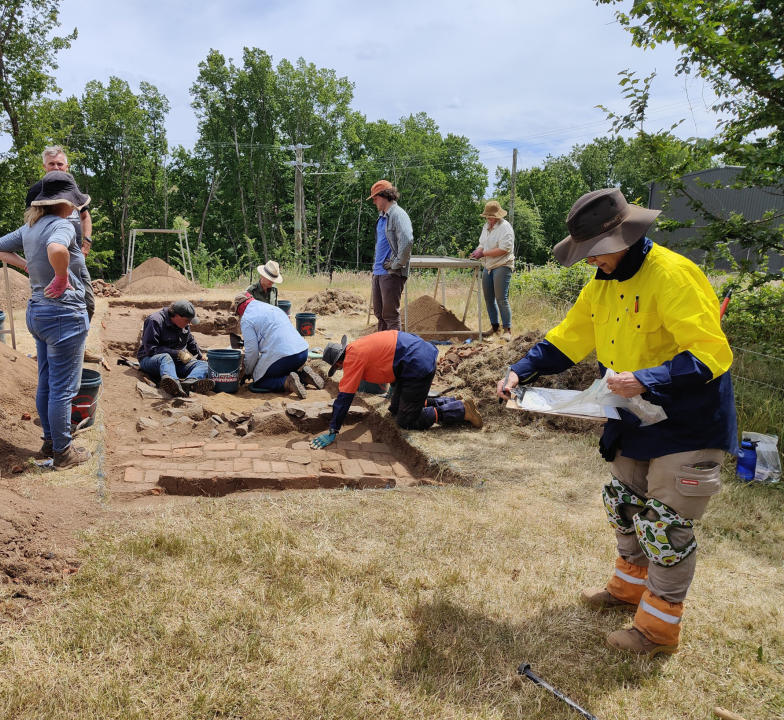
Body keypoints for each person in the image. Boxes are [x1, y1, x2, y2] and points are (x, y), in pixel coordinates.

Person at [497, 188, 736, 657]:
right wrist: (520, 369)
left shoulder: (673, 276)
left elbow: (713, 353)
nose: (590, 262)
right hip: (630, 416)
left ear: (624, 238)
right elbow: (569, 337)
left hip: (686, 421)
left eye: (595, 253)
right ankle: (627, 590)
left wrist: (647, 379)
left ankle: (658, 631)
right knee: (624, 504)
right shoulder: (602, 283)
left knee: (666, 526)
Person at [0, 171, 92, 470]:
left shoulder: (31, 227)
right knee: (63, 388)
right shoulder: (62, 225)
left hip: (37, 310)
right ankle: (63, 453)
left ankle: (50, 441)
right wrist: (61, 277)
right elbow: (57, 249)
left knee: (47, 381)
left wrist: (26, 265)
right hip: (63, 313)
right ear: (66, 203)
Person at [311, 330, 482, 448]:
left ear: (339, 362)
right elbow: (390, 357)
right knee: (395, 409)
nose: (341, 370)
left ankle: (461, 410)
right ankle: (450, 401)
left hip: (416, 365)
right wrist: (395, 389)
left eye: (338, 368)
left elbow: (344, 398)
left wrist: (333, 430)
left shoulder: (352, 359)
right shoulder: (358, 347)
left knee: (406, 420)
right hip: (414, 357)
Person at [32, 146, 95, 322]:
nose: (56, 167)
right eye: (51, 164)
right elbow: (31, 225)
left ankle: (78, 343)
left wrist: (86, 243)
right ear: (44, 167)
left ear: (67, 167)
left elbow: (85, 216)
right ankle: (61, 346)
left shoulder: (72, 189)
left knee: (88, 303)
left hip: (75, 256)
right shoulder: (36, 191)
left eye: (60, 164)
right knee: (56, 303)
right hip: (51, 258)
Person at [232, 292, 324, 399]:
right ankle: (303, 376)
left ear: (239, 309)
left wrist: (247, 371)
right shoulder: (272, 308)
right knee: (276, 368)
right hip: (302, 353)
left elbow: (252, 351)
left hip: (283, 358)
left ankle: (287, 382)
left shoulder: (246, 319)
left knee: (259, 379)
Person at [136, 299, 214, 397]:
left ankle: (189, 383)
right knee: (165, 357)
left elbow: (190, 340)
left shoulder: (183, 324)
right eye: (187, 321)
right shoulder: (155, 320)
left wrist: (200, 356)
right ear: (176, 315)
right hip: (150, 360)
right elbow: (151, 349)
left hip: (175, 362)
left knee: (203, 365)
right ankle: (174, 385)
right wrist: (176, 353)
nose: (189, 324)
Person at [368, 180, 413, 331]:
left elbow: (407, 240)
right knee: (380, 315)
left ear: (385, 196)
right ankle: (382, 351)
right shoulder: (382, 216)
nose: (373, 201)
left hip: (391, 273)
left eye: (375, 197)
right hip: (379, 272)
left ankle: (395, 352)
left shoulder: (398, 214)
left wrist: (396, 264)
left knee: (390, 316)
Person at [470, 200, 515, 340]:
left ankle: (507, 330)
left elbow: (504, 249)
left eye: (492, 217)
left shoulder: (505, 227)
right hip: (488, 266)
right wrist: (476, 252)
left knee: (501, 298)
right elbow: (482, 244)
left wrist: (483, 253)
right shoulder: (486, 226)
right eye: (488, 217)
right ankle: (494, 327)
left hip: (502, 264)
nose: (489, 219)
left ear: (498, 216)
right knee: (489, 298)